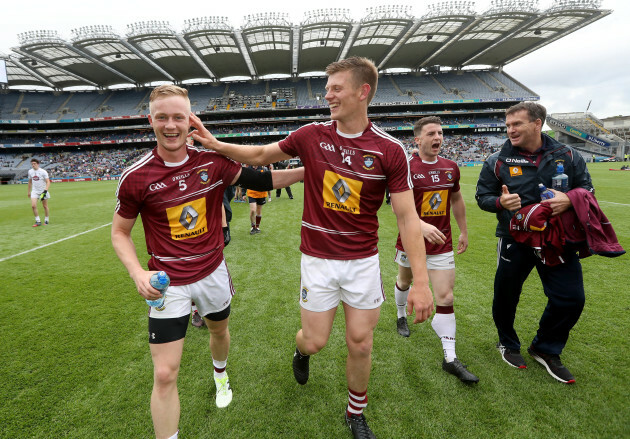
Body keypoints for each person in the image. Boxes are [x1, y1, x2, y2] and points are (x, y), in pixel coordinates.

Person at [190, 56, 434, 439]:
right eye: (328, 88)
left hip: (362, 262)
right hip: (318, 261)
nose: (328, 95)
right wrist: (214, 143)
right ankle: (301, 352)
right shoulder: (311, 135)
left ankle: (356, 413)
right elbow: (261, 157)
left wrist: (420, 282)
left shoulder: (389, 151)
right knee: (315, 340)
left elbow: (406, 217)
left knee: (361, 342)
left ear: (362, 91)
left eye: (336, 88)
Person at [111, 84, 304, 439]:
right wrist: (137, 271)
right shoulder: (136, 177)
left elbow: (265, 178)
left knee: (219, 331)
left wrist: (311, 170)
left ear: (191, 122)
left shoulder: (213, 163)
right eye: (163, 117)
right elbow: (120, 232)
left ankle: (220, 373)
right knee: (166, 374)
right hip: (167, 282)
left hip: (212, 272)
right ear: (150, 120)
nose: (171, 125)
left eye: (179, 117)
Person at [475, 102, 594, 384]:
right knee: (506, 295)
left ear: (537, 123)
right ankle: (507, 343)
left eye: (517, 124)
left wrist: (569, 199)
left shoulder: (567, 154)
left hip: (557, 240)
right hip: (514, 240)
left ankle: (545, 348)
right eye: (507, 125)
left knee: (571, 298)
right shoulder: (497, 160)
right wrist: (500, 202)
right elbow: (482, 197)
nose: (510, 130)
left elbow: (587, 189)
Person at [393, 117, 478, 383]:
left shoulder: (451, 167)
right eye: (431, 133)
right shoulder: (406, 168)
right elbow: (399, 208)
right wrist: (420, 226)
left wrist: (463, 230)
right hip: (411, 240)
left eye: (440, 133)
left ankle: (450, 358)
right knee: (404, 280)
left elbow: (456, 199)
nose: (437, 137)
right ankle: (399, 316)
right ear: (417, 139)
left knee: (446, 296)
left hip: (442, 241)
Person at [27, 158, 51, 227]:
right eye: (32, 164)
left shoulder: (43, 171)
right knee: (33, 206)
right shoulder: (30, 171)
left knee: (45, 206)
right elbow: (30, 182)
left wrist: (45, 191)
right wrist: (29, 192)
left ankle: (46, 219)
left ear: (38, 164)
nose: (33, 165)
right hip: (34, 191)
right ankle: (38, 221)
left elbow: (48, 182)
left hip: (43, 191)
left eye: (34, 164)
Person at [246, 165, 268, 235]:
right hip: (251, 193)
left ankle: (257, 227)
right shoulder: (248, 169)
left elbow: (268, 179)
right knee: (253, 210)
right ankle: (253, 227)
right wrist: (243, 193)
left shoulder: (263, 168)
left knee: (258, 211)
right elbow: (244, 180)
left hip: (261, 193)